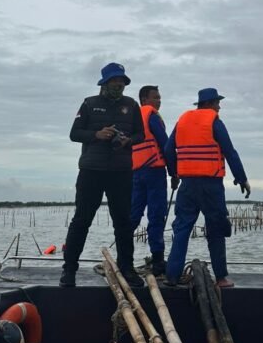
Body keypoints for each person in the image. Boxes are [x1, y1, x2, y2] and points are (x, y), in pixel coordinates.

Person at [60, 62, 144, 288]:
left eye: (122, 82)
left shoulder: (132, 105)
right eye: (115, 81)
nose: (119, 85)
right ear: (105, 83)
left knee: (123, 223)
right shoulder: (89, 104)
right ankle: (69, 271)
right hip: (91, 171)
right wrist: (97, 134)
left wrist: (128, 140)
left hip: (121, 172)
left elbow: (141, 135)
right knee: (81, 220)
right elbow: (74, 134)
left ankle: (127, 269)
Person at [163, 88, 250, 288]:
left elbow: (168, 149)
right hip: (210, 185)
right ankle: (221, 278)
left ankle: (172, 276)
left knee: (182, 228)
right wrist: (241, 178)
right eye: (218, 103)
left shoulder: (182, 121)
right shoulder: (214, 121)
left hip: (187, 185)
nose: (219, 107)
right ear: (210, 104)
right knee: (216, 229)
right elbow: (230, 151)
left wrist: (174, 173)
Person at [130, 85, 179, 275]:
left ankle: (124, 258)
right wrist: (174, 172)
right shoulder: (151, 116)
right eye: (155, 98)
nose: (159, 101)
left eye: (159, 97)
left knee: (133, 216)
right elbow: (166, 146)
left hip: (135, 173)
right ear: (144, 100)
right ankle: (158, 261)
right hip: (154, 171)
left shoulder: (132, 117)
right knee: (156, 216)